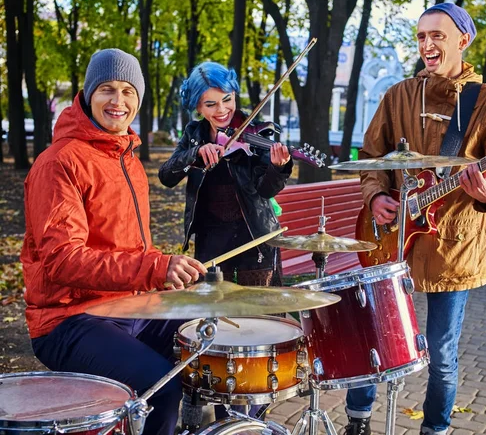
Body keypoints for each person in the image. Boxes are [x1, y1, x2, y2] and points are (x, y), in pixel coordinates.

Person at [343, 3, 486, 435]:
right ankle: (357, 420)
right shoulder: (398, 95)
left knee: (442, 352)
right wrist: (374, 198)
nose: (427, 44)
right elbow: (371, 158)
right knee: (375, 337)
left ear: (463, 41)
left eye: (437, 36)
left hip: (455, 247)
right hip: (394, 237)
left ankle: (436, 428)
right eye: (421, 36)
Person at [21, 48, 207, 435]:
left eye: (127, 91)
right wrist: (154, 268)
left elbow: (129, 249)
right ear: (88, 94)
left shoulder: (127, 158)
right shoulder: (59, 162)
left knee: (210, 344)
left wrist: (165, 265)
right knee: (160, 384)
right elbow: (62, 261)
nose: (117, 101)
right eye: (107, 89)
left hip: (128, 305)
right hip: (67, 319)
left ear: (138, 99)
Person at [158, 61, 292, 288]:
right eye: (210, 104)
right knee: (214, 311)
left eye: (227, 99)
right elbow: (166, 176)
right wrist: (195, 153)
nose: (221, 110)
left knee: (260, 312)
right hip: (212, 239)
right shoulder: (194, 133)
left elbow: (266, 190)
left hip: (255, 237)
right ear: (198, 108)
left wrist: (277, 168)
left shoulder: (256, 131)